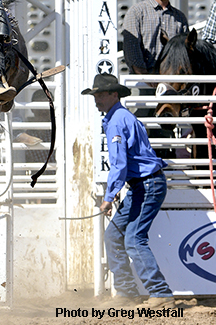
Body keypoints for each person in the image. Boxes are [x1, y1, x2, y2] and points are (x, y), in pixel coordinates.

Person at [81, 73, 174, 309]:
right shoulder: (120, 117)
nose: (97, 99)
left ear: (114, 94)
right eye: (96, 95)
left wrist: (109, 197)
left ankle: (160, 292)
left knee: (133, 238)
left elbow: (120, 164)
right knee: (114, 236)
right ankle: (126, 291)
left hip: (146, 184)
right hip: (143, 184)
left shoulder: (116, 121)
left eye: (101, 94)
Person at [122, 0, 189, 75]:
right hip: (144, 80)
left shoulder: (180, 17)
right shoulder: (137, 12)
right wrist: (144, 75)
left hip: (172, 81)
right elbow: (131, 48)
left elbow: (185, 52)